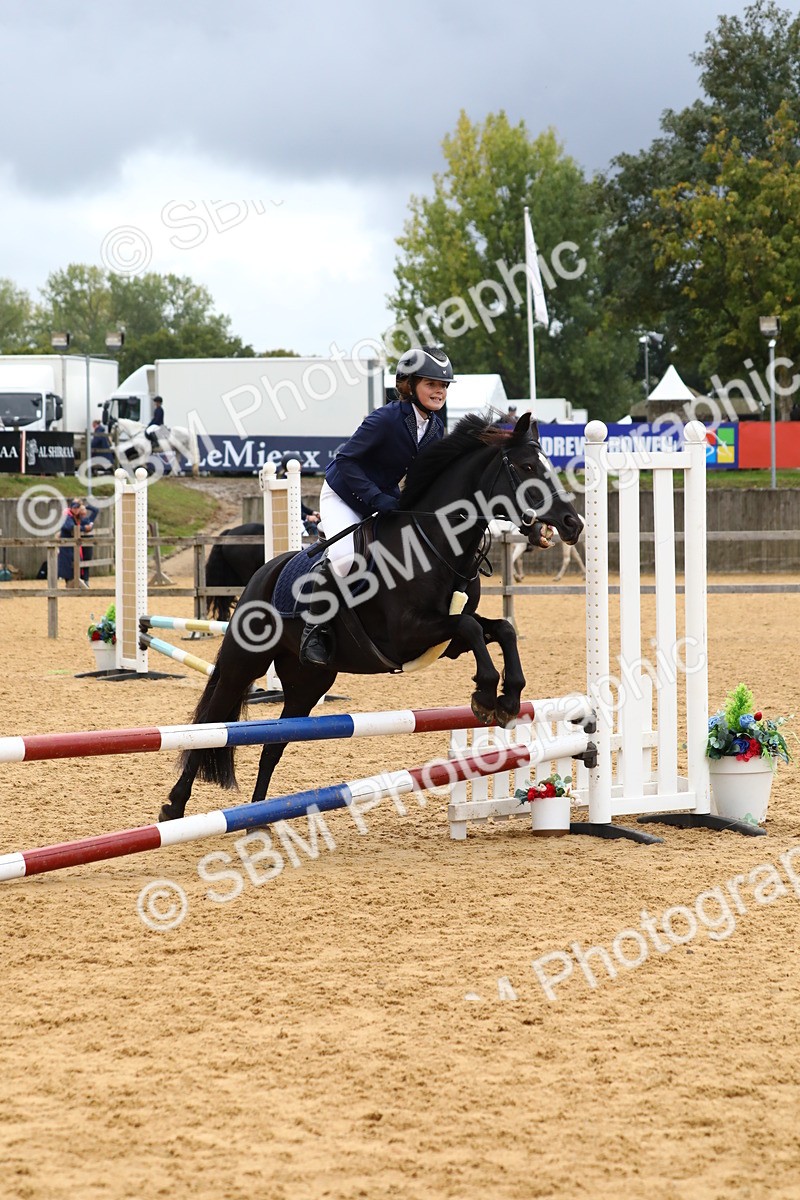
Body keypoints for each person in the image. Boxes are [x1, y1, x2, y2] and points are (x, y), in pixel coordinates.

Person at [299, 345, 451, 666]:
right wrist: (376, 498)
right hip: (344, 495)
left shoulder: (435, 428)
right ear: (409, 386)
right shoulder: (386, 419)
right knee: (345, 558)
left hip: (383, 498)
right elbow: (346, 460)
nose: (439, 391)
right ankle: (314, 628)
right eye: (431, 384)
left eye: (443, 386)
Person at [57, 499, 90, 588]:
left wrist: (87, 527)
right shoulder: (67, 517)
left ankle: (72, 583)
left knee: (74, 564)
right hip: (66, 546)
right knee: (68, 566)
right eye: (74, 508)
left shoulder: (75, 517)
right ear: (71, 508)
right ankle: (70, 584)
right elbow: (69, 527)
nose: (76, 510)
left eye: (77, 508)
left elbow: (87, 522)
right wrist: (83, 528)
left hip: (72, 546)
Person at [79, 498, 100, 583]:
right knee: (79, 560)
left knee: (87, 560)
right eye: (82, 511)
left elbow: (96, 510)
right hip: (80, 542)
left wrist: (86, 506)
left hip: (88, 542)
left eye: (84, 511)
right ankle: (80, 579)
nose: (84, 512)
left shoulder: (89, 519)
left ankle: (86, 580)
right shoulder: (78, 519)